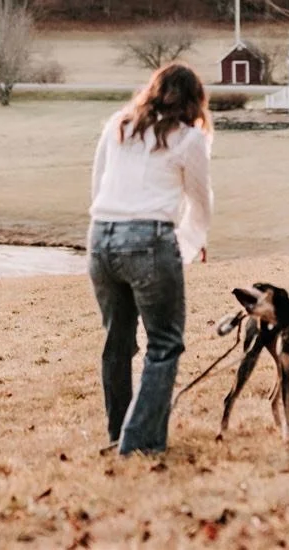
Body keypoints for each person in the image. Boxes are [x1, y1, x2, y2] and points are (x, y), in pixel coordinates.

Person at [88, 62, 214, 456]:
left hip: (102, 234)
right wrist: (191, 243)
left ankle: (118, 431)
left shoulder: (118, 124)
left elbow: (98, 182)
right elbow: (200, 199)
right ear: (195, 101)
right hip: (149, 239)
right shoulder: (190, 139)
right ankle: (138, 442)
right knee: (164, 343)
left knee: (118, 342)